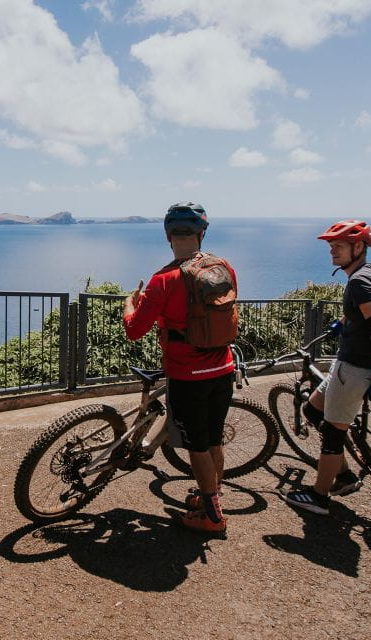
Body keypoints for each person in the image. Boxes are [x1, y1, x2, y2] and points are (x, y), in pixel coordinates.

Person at [122, 202, 238, 537]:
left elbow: (134, 330)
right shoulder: (224, 267)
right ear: (202, 233)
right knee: (214, 440)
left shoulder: (163, 280)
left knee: (197, 447)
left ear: (168, 236)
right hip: (224, 367)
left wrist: (130, 306)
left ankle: (212, 517)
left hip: (188, 375)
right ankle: (211, 498)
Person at [285, 220, 371, 516]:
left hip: (355, 369)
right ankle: (344, 475)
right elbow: (366, 312)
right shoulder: (369, 273)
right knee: (312, 410)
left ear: (358, 247)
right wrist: (342, 323)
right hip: (347, 366)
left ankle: (319, 497)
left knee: (333, 435)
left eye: (339, 246)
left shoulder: (359, 281)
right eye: (331, 246)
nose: (332, 251)